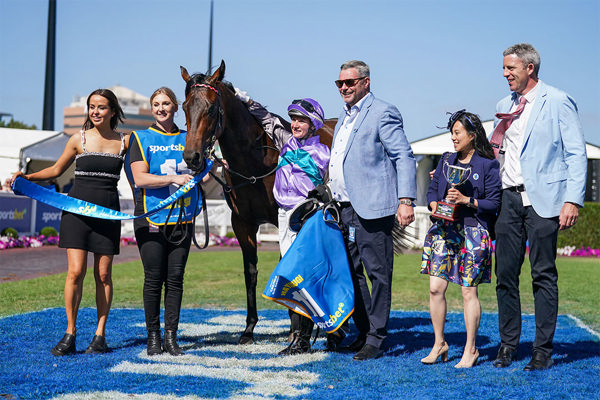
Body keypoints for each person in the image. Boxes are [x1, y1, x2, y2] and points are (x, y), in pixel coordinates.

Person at [491, 43, 587, 371]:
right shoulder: (503, 105)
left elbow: (576, 153)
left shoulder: (558, 100)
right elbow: (495, 152)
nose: (505, 74)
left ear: (529, 68)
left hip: (544, 202)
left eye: (510, 68)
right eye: (504, 68)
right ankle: (507, 345)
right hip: (507, 199)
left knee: (543, 275)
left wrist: (572, 199)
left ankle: (542, 350)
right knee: (504, 274)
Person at [12, 89, 127, 356]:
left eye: (101, 107)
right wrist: (27, 177)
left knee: (103, 275)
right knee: (75, 272)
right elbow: (55, 170)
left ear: (112, 111)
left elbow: (139, 173)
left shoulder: (126, 141)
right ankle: (70, 333)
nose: (95, 111)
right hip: (76, 213)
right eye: (91, 107)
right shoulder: (79, 139)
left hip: (108, 214)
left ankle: (100, 336)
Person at [327, 60, 417, 360]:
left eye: (349, 82)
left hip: (373, 208)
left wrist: (406, 199)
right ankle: (364, 331)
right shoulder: (344, 118)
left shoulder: (383, 112)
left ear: (366, 82)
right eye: (340, 83)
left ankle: (376, 338)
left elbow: (403, 156)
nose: (344, 88)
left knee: (378, 273)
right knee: (352, 273)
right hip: (343, 208)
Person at [237, 92, 331, 355]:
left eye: (301, 120)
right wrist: (245, 100)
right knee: (293, 275)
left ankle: (319, 334)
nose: (295, 124)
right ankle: (301, 336)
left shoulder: (324, 153)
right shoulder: (286, 141)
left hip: (310, 216)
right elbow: (266, 119)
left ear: (313, 124)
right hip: (285, 215)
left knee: (309, 275)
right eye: (293, 119)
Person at [420, 110, 501, 368]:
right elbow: (432, 191)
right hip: (444, 230)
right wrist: (434, 203)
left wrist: (467, 200)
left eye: (457, 133)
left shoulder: (487, 165)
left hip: (473, 231)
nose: (453, 137)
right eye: (452, 133)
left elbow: (494, 202)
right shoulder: (445, 160)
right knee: (435, 287)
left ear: (472, 136)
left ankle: (471, 349)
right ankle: (439, 343)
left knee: (468, 291)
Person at [126, 87, 199, 356]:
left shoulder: (188, 137)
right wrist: (172, 179)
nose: (161, 108)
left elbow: (200, 169)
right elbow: (140, 178)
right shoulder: (140, 137)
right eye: (156, 104)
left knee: (176, 279)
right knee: (154, 278)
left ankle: (171, 337)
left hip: (182, 217)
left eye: (166, 103)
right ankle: (153, 337)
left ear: (176, 107)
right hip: (151, 218)